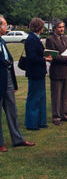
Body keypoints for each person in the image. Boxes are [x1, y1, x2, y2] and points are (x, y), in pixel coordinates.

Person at [0, 15, 35, 151]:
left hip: (7, 80)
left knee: (12, 111)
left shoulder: (2, 41)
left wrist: (13, 84)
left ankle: (18, 139)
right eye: (5, 25)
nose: (7, 27)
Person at [25, 18, 52, 130]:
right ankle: (32, 124)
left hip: (39, 72)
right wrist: (44, 59)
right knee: (34, 98)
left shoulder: (35, 38)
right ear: (40, 28)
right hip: (34, 72)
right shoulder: (31, 39)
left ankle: (41, 121)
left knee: (41, 97)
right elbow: (31, 57)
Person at [45, 19, 67, 126]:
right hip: (57, 71)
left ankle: (65, 115)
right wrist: (66, 59)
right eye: (60, 27)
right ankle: (56, 117)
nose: (62, 29)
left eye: (63, 27)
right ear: (54, 28)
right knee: (56, 96)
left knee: (66, 95)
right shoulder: (50, 40)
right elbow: (52, 56)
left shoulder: (66, 38)